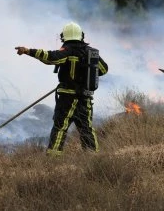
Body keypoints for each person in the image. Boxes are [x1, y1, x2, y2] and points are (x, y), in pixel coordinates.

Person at [15, 22, 108, 155]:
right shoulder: (91, 53)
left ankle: (53, 158)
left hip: (67, 98)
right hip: (85, 98)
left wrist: (28, 51)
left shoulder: (67, 50)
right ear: (81, 36)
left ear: (64, 37)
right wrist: (87, 73)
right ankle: (92, 157)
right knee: (86, 128)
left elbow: (50, 57)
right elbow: (104, 69)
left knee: (60, 127)